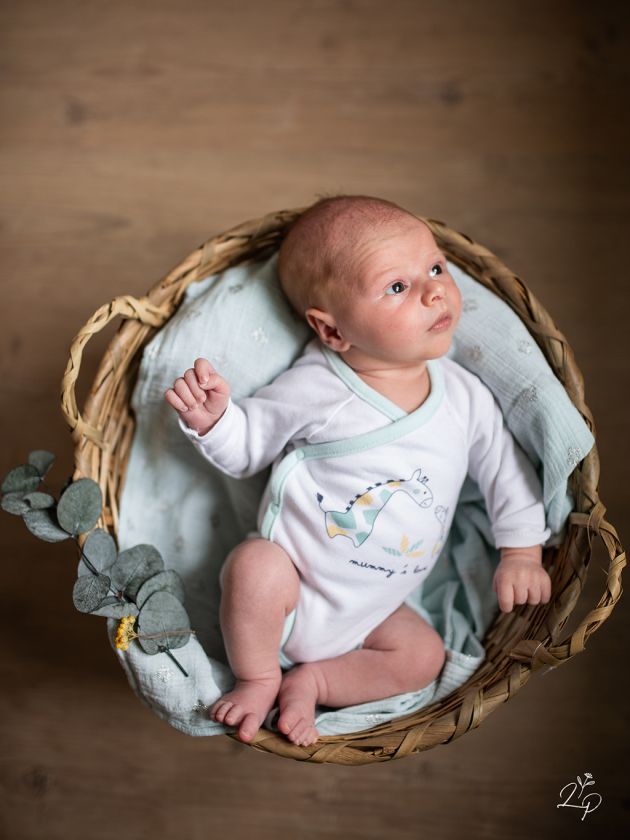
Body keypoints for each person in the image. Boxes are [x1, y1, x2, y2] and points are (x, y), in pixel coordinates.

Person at [164, 195, 552, 748]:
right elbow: (250, 444)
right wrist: (215, 419)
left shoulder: (463, 396)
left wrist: (520, 552)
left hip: (375, 613)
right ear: (333, 331)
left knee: (424, 657)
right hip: (295, 590)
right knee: (252, 567)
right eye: (397, 286)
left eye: (436, 267)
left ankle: (317, 680)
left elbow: (505, 472)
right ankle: (259, 676)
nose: (435, 289)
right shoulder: (320, 386)